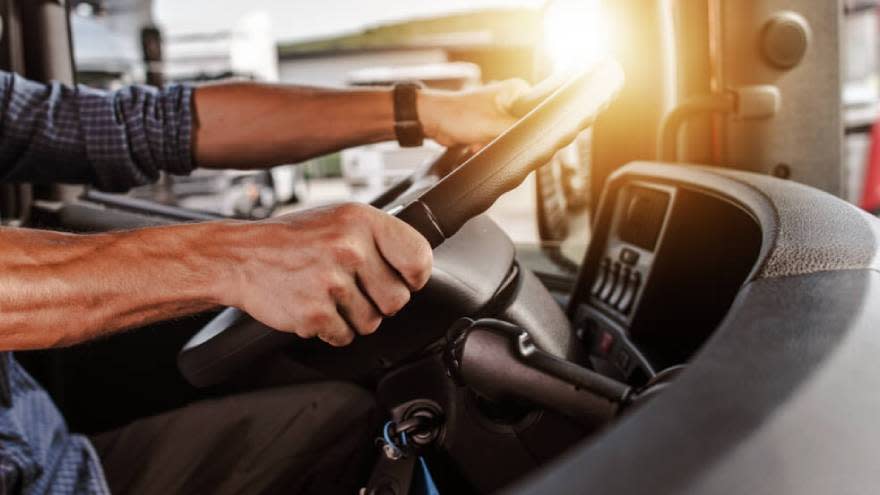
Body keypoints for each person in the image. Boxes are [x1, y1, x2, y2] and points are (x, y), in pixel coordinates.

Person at [0, 71, 527, 494]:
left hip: (56, 460)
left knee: (346, 425)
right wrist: (236, 258)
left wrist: (428, 112)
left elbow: (141, 123)